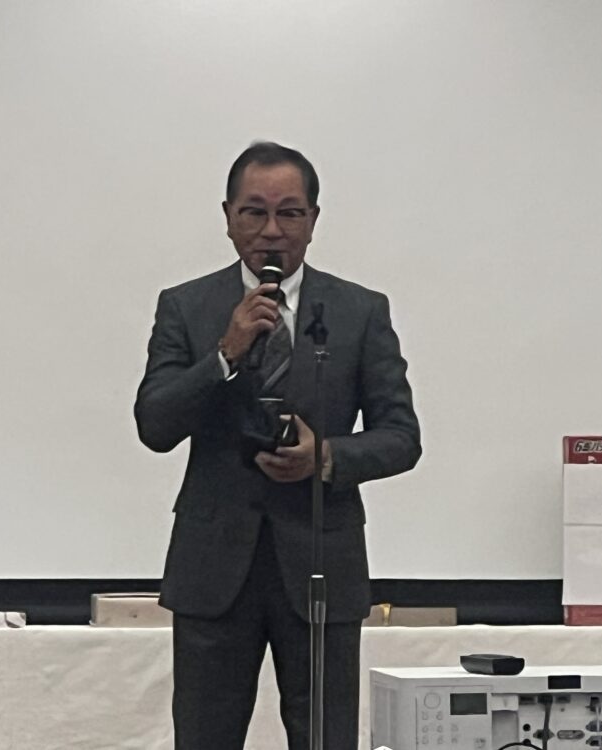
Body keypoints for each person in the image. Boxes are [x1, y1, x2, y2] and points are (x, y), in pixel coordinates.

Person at [134, 141, 421, 750]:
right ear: (228, 217)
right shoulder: (186, 307)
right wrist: (225, 354)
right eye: (254, 212)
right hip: (214, 568)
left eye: (289, 213)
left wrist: (326, 458)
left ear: (313, 220)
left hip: (320, 563)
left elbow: (401, 437)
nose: (271, 230)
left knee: (324, 739)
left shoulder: (359, 311)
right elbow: (155, 425)